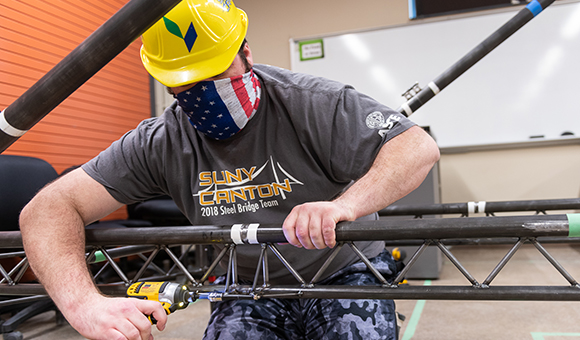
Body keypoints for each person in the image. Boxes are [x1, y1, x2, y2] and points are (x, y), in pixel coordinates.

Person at [19, 0, 440, 339]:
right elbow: (47, 209)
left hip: (341, 273)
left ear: (246, 53)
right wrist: (86, 306)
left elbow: (415, 147)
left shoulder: (308, 103)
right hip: (248, 285)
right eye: (185, 85)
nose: (202, 95)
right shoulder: (162, 140)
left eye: (214, 74)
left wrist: (344, 206)